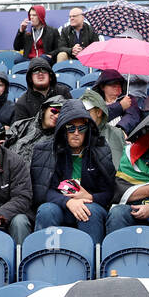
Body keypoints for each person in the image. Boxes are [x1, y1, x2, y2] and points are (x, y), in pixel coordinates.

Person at [32, 98, 117, 243]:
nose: (76, 133)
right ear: (62, 129)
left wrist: (90, 198)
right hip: (60, 205)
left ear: (88, 129)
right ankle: (44, 258)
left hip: (90, 205)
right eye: (70, 128)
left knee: (90, 212)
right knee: (47, 210)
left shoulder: (100, 150)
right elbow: (43, 191)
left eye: (81, 128)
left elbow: (110, 192)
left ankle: (91, 262)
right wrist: (68, 202)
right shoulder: (45, 149)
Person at [11, 56, 72, 125]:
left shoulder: (63, 92)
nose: (40, 73)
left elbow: (71, 116)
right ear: (30, 78)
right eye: (35, 71)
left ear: (50, 76)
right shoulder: (22, 102)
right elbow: (22, 130)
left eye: (44, 70)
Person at [6, 94, 64, 165]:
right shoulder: (22, 125)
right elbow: (3, 148)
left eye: (61, 114)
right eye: (54, 111)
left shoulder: (59, 139)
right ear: (44, 109)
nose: (56, 116)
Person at [80, 88, 127, 169]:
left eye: (87, 111)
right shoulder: (76, 132)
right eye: (81, 111)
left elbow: (122, 165)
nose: (83, 115)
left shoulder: (116, 133)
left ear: (98, 112)